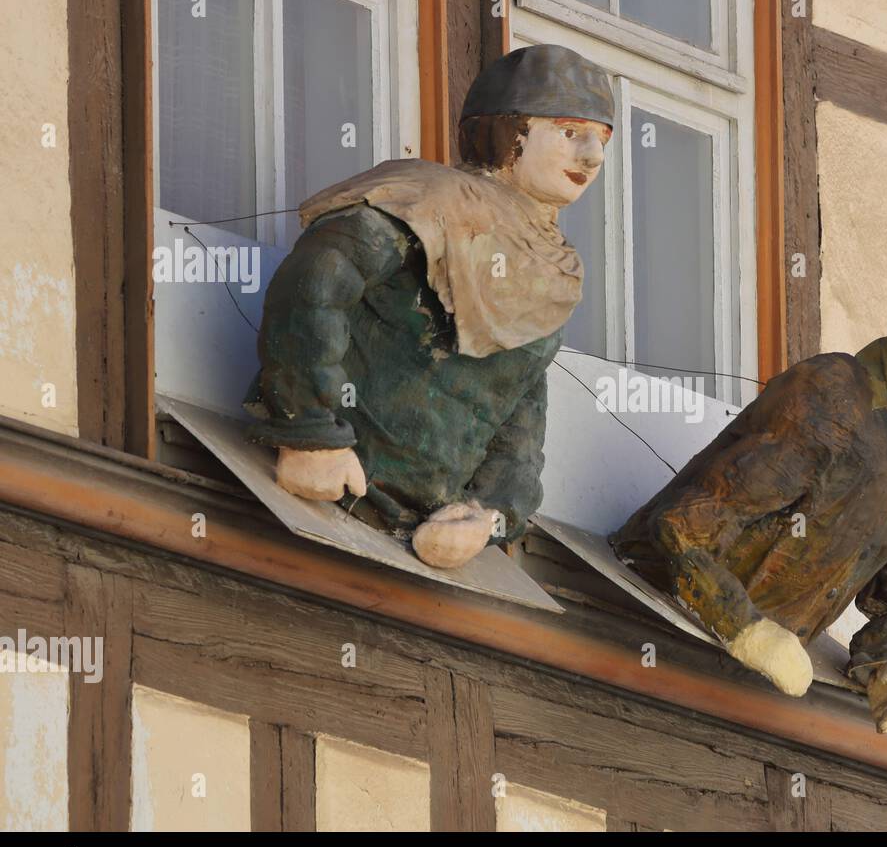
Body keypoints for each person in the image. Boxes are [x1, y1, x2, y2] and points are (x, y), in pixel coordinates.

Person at [611, 272, 887, 732]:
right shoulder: (833, 394)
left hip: (753, 687)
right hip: (642, 619)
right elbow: (683, 527)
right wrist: (746, 628)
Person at [245, 44, 613, 569]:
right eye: (570, 132)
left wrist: (487, 515)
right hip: (322, 491)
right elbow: (319, 277)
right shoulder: (426, 196)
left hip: (416, 542)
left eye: (602, 139)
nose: (592, 158)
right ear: (511, 132)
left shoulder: (556, 269)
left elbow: (520, 414)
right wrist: (309, 433)